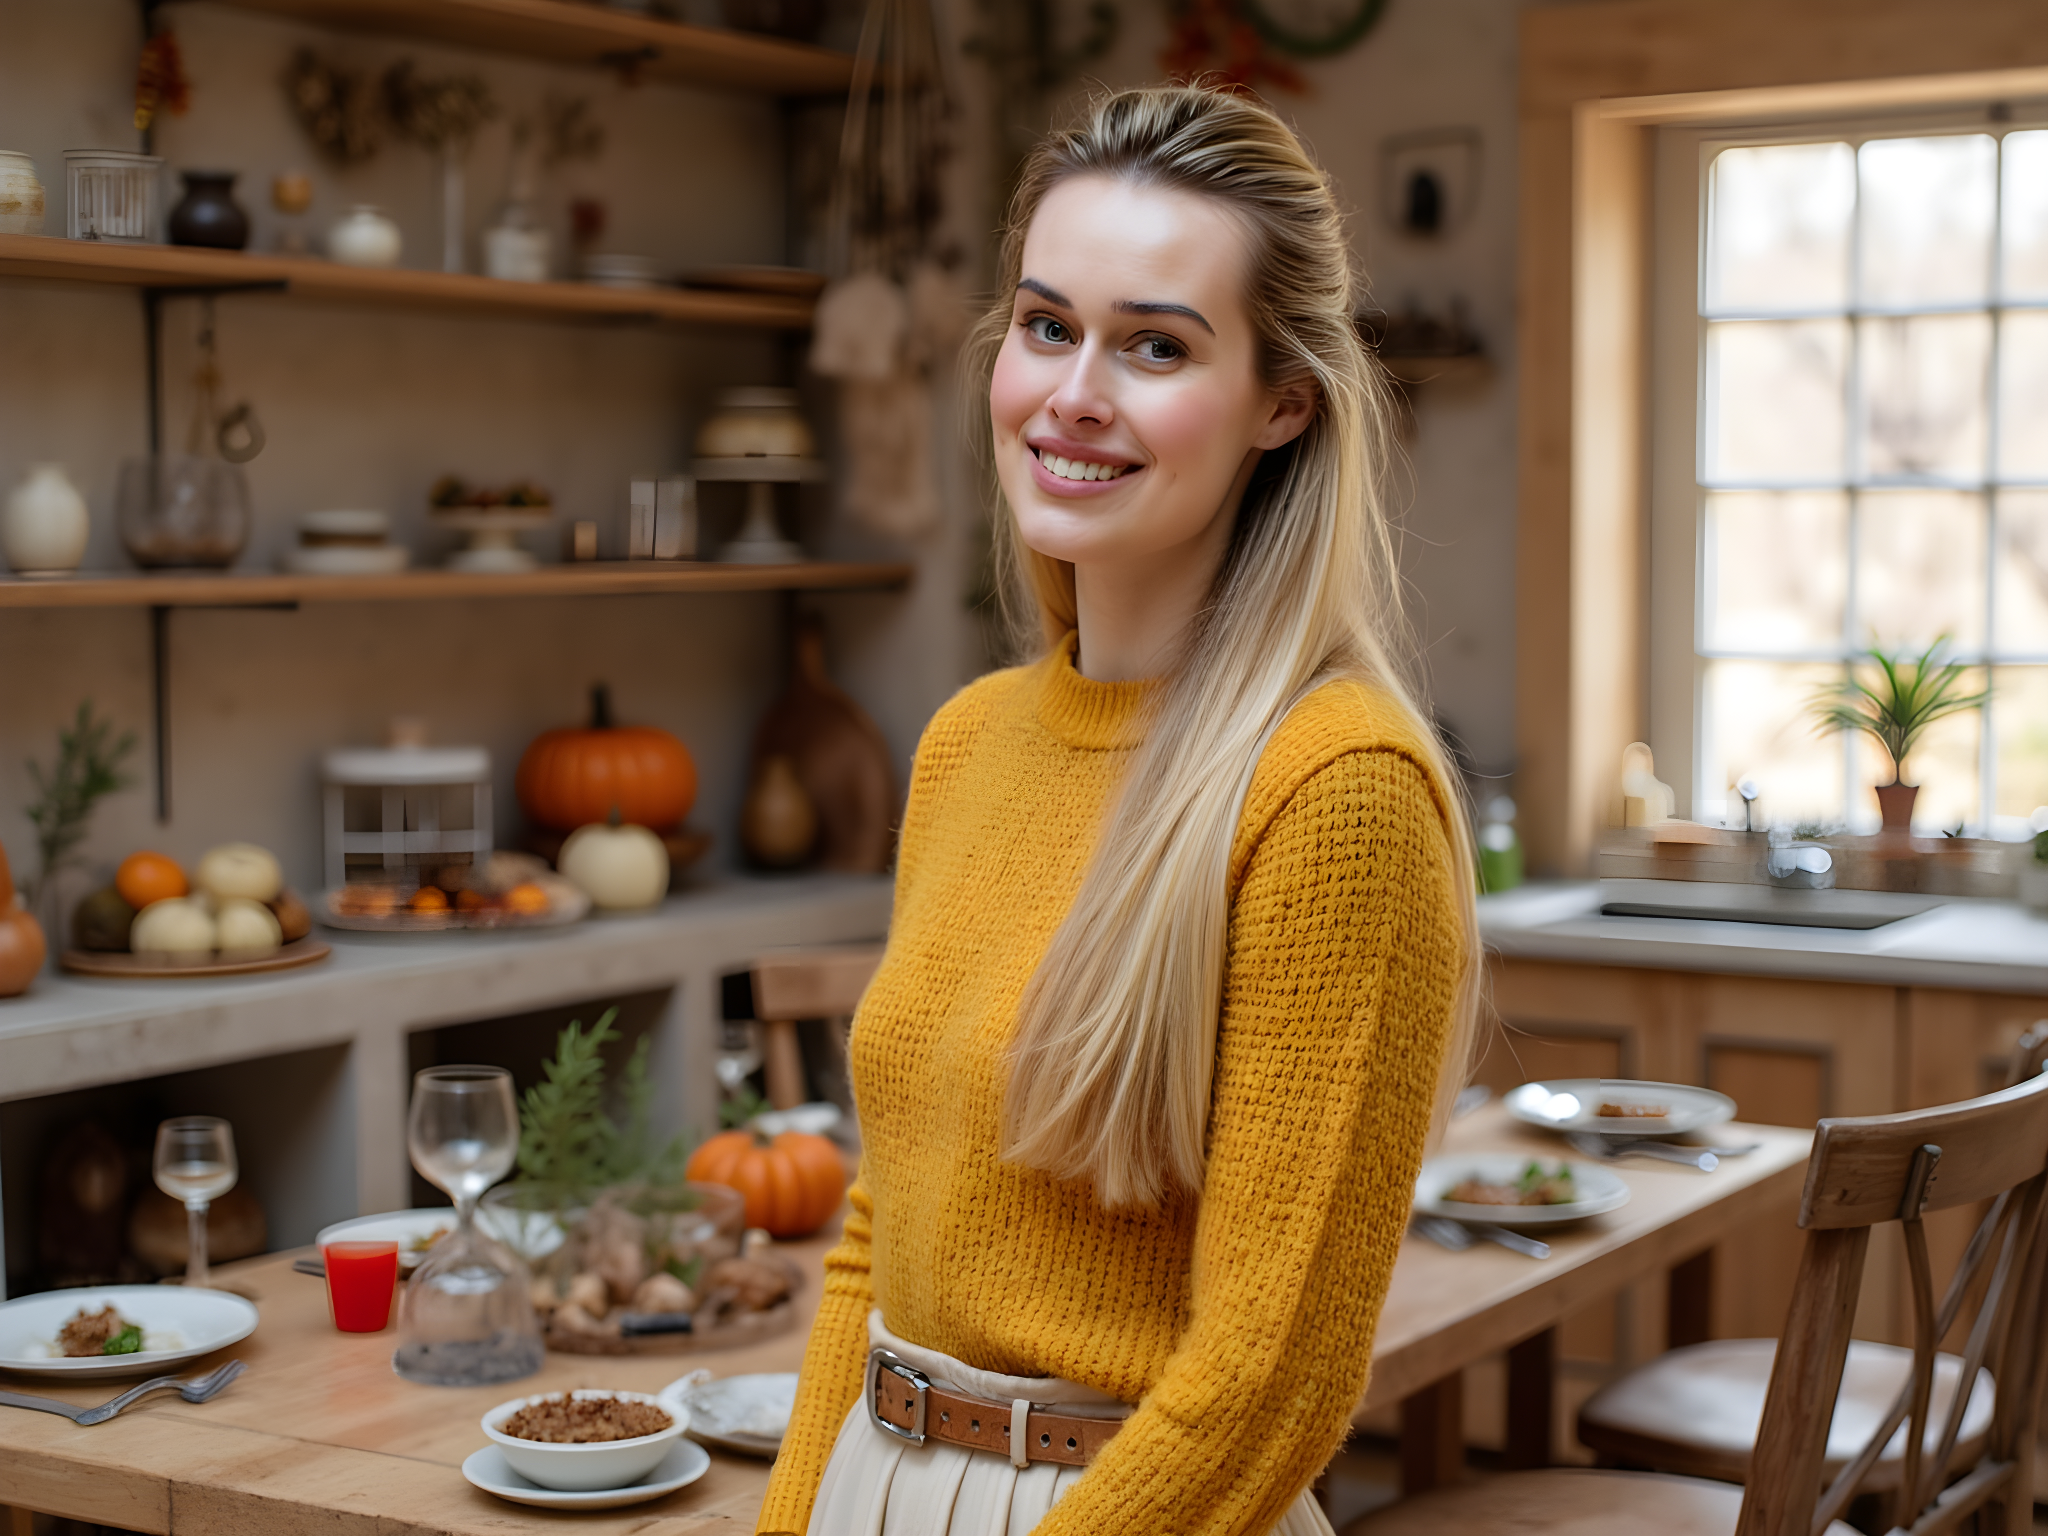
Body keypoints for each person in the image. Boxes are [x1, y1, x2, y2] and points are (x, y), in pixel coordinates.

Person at [758, 82, 1479, 1536]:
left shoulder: (1336, 793)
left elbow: (1268, 1382)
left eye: (1155, 344)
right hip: (873, 1489)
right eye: (1045, 326)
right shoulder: (966, 745)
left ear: (1284, 402)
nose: (1075, 391)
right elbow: (877, 1235)